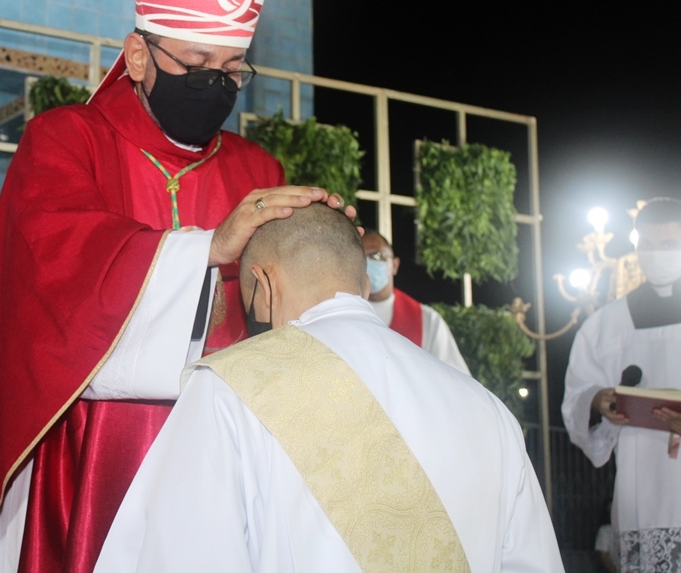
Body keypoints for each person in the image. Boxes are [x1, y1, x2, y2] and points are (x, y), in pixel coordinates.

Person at [0, 0, 353, 571]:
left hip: (225, 465)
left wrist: (329, 254)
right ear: (137, 55)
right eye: (194, 65)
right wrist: (208, 250)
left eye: (232, 73)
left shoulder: (255, 169)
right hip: (92, 460)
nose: (214, 86)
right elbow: (53, 280)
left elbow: (282, 330)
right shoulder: (66, 141)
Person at [94, 204, 563, 571]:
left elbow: (180, 557)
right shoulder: (488, 411)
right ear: (361, 278)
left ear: (263, 283)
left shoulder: (231, 389)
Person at [563, 197, 681, 572]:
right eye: (647, 245)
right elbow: (576, 399)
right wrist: (598, 401)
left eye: (668, 245)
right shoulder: (606, 324)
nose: (656, 254)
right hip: (641, 492)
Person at [361, 230, 470, 374]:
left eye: (377, 256)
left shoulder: (427, 321)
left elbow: (456, 382)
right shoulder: (338, 314)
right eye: (362, 257)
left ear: (394, 265)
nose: (369, 263)